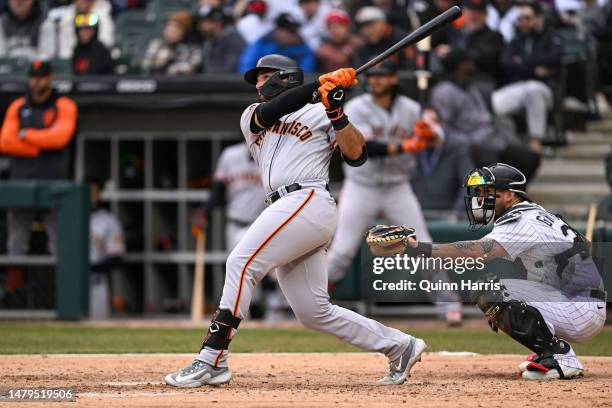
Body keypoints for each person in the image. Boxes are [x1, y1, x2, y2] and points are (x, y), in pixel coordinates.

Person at [165, 54, 427, 388]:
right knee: (313, 311)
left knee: (241, 262)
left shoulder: (320, 112)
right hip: (287, 206)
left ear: (284, 77)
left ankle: (212, 359)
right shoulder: (252, 116)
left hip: (308, 199)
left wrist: (336, 113)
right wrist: (319, 86)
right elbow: (276, 109)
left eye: (263, 77)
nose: (258, 84)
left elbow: (357, 154)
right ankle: (400, 346)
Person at [371, 163, 606, 380]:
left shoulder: (522, 221)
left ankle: (561, 356)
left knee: (491, 289)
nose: (481, 199)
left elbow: (477, 252)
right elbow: (584, 243)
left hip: (578, 308)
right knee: (495, 286)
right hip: (579, 301)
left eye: (488, 192)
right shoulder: (536, 213)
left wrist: (417, 248)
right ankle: (551, 351)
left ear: (510, 194)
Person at [325, 61, 462, 325]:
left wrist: (429, 135)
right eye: (373, 76)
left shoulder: (411, 108)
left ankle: (448, 305)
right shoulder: (356, 107)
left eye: (382, 76)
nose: (376, 80)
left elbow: (438, 136)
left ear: (394, 79)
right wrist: (406, 146)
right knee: (342, 250)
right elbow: (367, 147)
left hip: (397, 186)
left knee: (422, 244)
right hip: (360, 185)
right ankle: (316, 300)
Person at [0, 60, 78, 255]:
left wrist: (25, 135)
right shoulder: (18, 105)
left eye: (41, 78)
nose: (36, 82)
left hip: (53, 184)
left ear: (50, 78)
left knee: (59, 243)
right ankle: (14, 287)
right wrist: (39, 148)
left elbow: (60, 138)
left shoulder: (64, 104)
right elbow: (5, 142)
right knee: (16, 243)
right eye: (33, 78)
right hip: (21, 184)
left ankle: (63, 286)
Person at [429, 49, 541, 182]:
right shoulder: (444, 91)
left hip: (495, 141)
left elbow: (486, 116)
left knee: (530, 158)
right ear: (460, 66)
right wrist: (467, 142)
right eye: (468, 62)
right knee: (497, 172)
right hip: (474, 147)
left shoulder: (470, 86)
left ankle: (514, 195)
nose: (472, 65)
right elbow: (443, 127)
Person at [492, 1, 562, 153]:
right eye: (520, 18)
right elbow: (506, 62)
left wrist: (522, 62)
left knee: (533, 90)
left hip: (543, 88)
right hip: (516, 87)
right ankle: (513, 144)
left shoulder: (551, 36)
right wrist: (534, 68)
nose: (523, 22)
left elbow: (554, 59)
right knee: (492, 104)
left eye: (527, 18)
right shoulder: (516, 39)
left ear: (539, 18)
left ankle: (535, 145)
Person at [410, 107, 475, 213]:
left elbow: (471, 183)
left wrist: (456, 213)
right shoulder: (411, 148)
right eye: (424, 123)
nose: (429, 127)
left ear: (442, 125)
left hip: (447, 214)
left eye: (434, 121)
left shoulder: (457, 146)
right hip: (416, 213)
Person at [444, 0, 503, 89]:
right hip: (454, 81)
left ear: (486, 15)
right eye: (471, 11)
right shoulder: (456, 33)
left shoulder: (494, 37)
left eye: (479, 12)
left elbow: (481, 57)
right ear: (463, 12)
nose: (474, 15)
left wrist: (452, 52)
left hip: (482, 82)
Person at [88, 177, 125, 319]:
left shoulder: (108, 220)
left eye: (94, 192)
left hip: (96, 280)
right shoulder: (67, 218)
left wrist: (87, 268)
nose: (90, 196)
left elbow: (116, 258)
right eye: (87, 191)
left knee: (97, 323)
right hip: (70, 281)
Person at [238, 13, 315, 74]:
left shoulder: (303, 48)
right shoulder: (262, 43)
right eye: (290, 31)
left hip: (291, 89)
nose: (294, 35)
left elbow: (306, 74)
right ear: (278, 30)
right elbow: (245, 69)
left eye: (295, 31)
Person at [141, 10, 202, 76]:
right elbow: (146, 63)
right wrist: (162, 60)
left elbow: (191, 66)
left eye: (176, 29)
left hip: (181, 84)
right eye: (169, 28)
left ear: (184, 32)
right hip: (158, 81)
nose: (171, 32)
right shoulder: (157, 44)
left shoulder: (193, 49)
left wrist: (172, 64)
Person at [197, 7, 245, 74]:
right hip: (212, 82)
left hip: (229, 82)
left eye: (203, 23)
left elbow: (232, 67)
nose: (200, 27)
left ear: (217, 23)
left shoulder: (232, 37)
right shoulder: (208, 40)